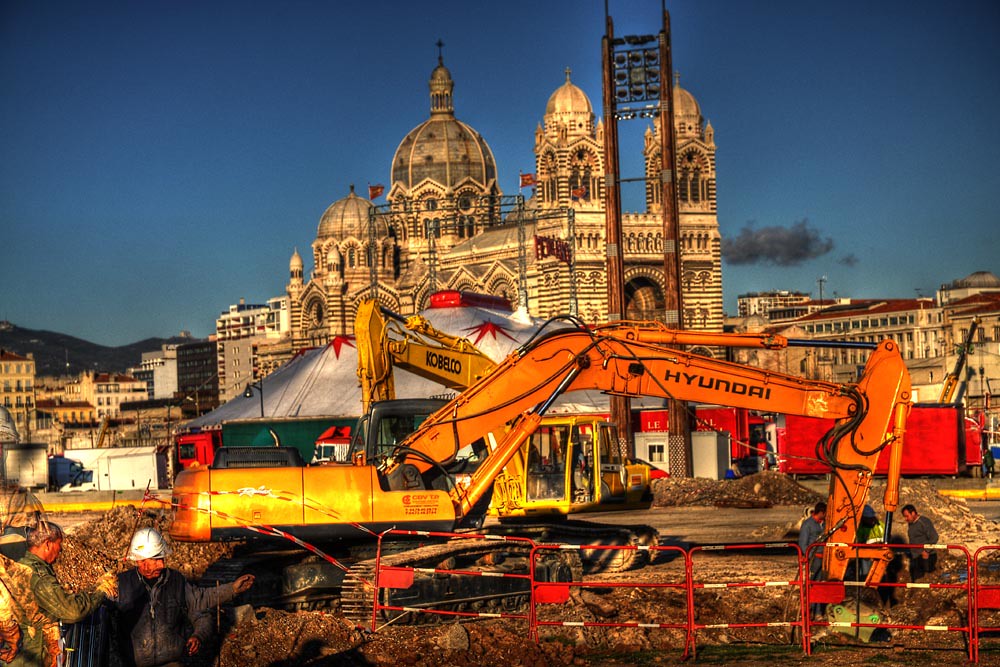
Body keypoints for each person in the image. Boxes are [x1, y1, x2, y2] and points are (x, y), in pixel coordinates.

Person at [113, 527, 254, 667]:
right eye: (156, 559)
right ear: (141, 561)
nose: (162, 564)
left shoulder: (176, 580)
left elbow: (200, 598)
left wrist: (232, 589)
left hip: (171, 663)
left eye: (161, 558)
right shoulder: (120, 585)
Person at [12, 521, 116, 667]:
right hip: (30, 660)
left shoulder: (19, 568)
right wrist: (101, 591)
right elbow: (72, 611)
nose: (60, 550)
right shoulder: (39, 578)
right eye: (59, 544)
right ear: (47, 544)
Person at [798, 502, 827, 621]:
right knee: (813, 585)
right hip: (814, 560)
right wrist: (810, 556)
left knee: (820, 585)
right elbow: (803, 544)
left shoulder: (824, 525)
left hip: (823, 559)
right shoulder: (808, 525)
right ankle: (811, 612)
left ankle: (818, 611)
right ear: (821, 513)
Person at [901, 504, 939, 581]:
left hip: (926, 557)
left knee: (924, 581)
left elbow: (934, 537)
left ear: (913, 513)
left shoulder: (924, 522)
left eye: (907, 516)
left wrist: (926, 551)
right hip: (915, 557)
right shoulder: (911, 523)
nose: (905, 519)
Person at [852, 504, 885, 580]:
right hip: (866, 558)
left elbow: (887, 541)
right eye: (868, 518)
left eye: (871, 517)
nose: (871, 520)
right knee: (865, 577)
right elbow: (858, 544)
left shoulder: (881, 525)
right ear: (863, 518)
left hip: (879, 556)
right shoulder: (859, 529)